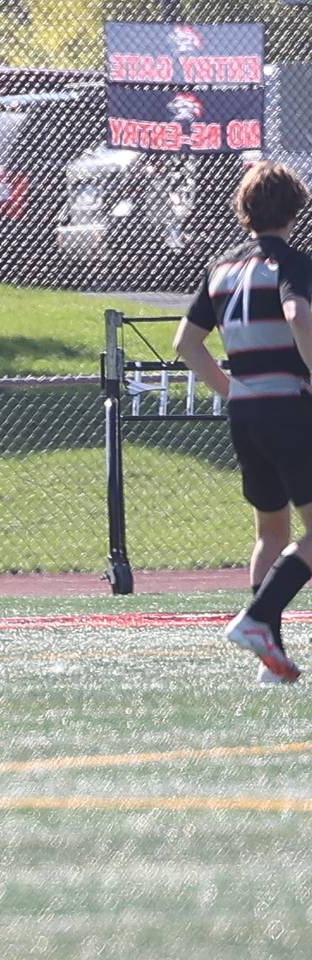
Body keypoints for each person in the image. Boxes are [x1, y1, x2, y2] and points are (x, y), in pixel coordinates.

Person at [173, 161, 312, 684]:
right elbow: (298, 316)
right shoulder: (295, 265)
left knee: (270, 531)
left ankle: (269, 658)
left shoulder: (221, 270)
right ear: (296, 210)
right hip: (289, 409)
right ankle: (257, 618)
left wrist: (231, 389)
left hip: (246, 411)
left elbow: (186, 343)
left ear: (244, 210)